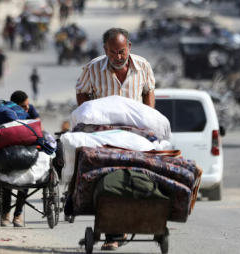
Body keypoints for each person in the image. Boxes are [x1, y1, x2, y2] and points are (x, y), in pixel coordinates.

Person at [75, 28, 155, 251]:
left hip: (134, 135)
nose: (118, 57)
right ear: (105, 50)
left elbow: (149, 91)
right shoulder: (93, 68)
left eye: (121, 52)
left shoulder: (143, 66)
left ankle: (122, 225)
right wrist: (87, 115)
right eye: (112, 53)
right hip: (105, 135)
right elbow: (81, 91)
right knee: (109, 177)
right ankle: (114, 233)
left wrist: (148, 119)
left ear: (129, 46)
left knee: (133, 177)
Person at [0, 91, 41, 228]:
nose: (27, 109)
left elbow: (39, 128)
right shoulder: (5, 113)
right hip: (9, 151)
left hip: (26, 150)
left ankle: (18, 214)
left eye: (27, 105)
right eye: (23, 107)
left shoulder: (31, 109)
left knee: (25, 179)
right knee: (6, 180)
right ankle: (5, 213)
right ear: (14, 106)